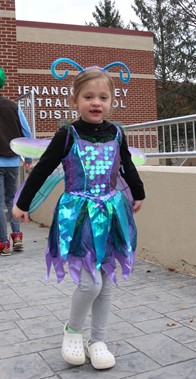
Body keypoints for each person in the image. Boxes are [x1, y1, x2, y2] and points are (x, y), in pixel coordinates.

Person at [12, 61, 145, 370]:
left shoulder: (117, 134)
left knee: (107, 283)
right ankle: (72, 330)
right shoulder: (67, 134)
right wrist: (23, 202)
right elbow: (43, 167)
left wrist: (138, 193)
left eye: (102, 97)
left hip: (111, 212)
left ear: (112, 101)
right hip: (78, 217)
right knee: (90, 284)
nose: (95, 102)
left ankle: (97, 339)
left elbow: (126, 165)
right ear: (75, 101)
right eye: (88, 97)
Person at [0, 67, 32, 256]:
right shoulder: (14, 106)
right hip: (13, 162)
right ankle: (17, 235)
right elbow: (26, 133)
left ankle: (3, 244)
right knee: (12, 200)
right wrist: (27, 158)